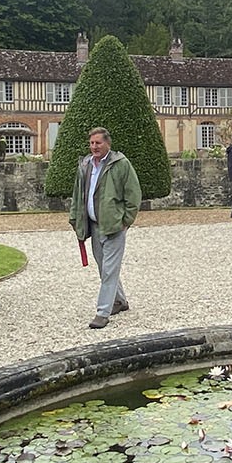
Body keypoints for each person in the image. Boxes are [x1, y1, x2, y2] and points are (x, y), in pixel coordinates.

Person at [68, 126, 141, 328]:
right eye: (91, 143)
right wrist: (75, 219)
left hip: (114, 226)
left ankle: (102, 312)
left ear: (108, 143)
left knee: (109, 269)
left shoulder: (121, 164)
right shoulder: (85, 165)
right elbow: (77, 194)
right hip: (93, 225)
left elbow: (134, 195)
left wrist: (126, 221)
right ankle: (120, 301)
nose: (94, 147)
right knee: (104, 268)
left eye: (98, 143)